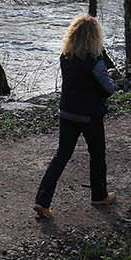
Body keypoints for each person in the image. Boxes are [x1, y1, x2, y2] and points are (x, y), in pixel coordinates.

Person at [33, 14, 118, 220]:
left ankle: (42, 202)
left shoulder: (66, 56)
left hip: (67, 112)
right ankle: (99, 195)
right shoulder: (96, 61)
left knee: (61, 156)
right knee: (97, 155)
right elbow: (108, 89)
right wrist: (112, 78)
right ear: (95, 37)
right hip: (90, 115)